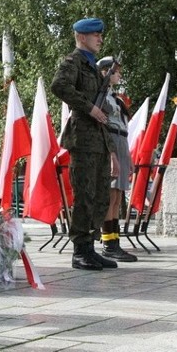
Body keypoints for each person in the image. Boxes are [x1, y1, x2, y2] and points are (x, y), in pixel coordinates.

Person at [50, 18, 119, 271]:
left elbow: (102, 115)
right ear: (81, 37)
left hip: (98, 139)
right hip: (82, 138)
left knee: (100, 195)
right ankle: (80, 250)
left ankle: (90, 246)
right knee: (85, 195)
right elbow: (59, 86)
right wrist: (88, 107)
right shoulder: (74, 62)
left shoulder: (92, 66)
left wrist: (112, 151)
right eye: (95, 35)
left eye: (100, 35)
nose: (100, 39)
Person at [96, 57, 137, 262]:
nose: (119, 75)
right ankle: (108, 244)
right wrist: (112, 155)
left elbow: (123, 128)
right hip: (110, 143)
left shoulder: (115, 98)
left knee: (118, 197)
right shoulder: (101, 97)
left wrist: (127, 156)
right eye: (115, 71)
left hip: (121, 142)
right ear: (105, 72)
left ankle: (115, 242)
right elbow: (103, 127)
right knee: (110, 197)